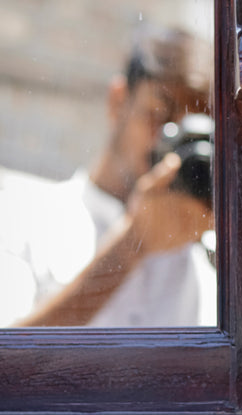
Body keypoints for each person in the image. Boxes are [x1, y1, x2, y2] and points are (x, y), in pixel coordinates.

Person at [0, 26, 216, 327]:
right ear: (118, 101)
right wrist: (131, 245)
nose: (174, 144)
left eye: (195, 134)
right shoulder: (24, 214)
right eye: (161, 114)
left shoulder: (213, 258)